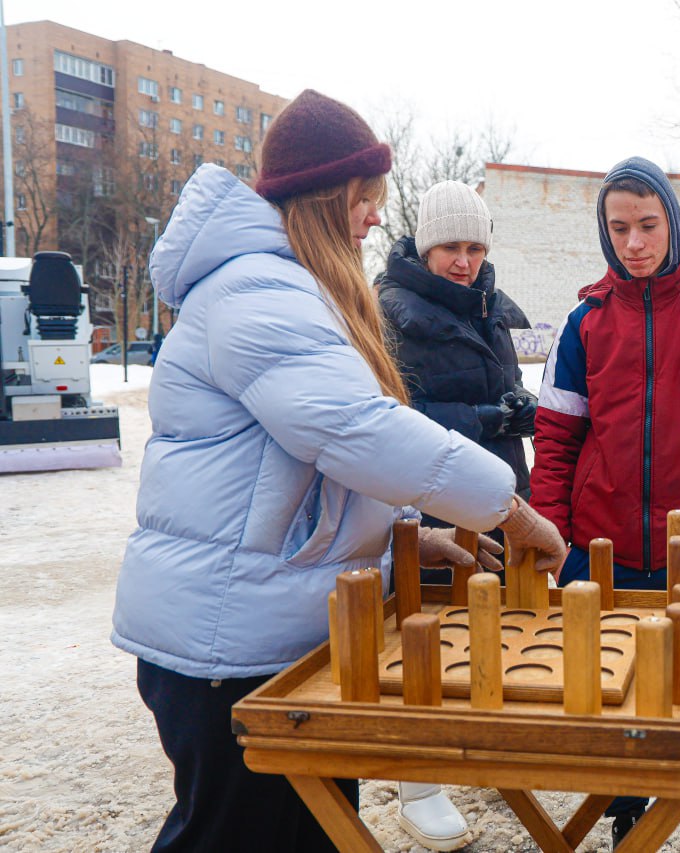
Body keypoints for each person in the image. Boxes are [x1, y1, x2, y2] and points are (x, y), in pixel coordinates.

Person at [110, 89, 565, 853]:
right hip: (228, 647)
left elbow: (307, 478)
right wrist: (511, 511)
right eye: (366, 199)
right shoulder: (256, 290)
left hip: (278, 636)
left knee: (315, 836)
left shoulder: (285, 287)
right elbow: (356, 433)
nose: (376, 218)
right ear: (328, 197)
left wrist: (403, 543)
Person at [532, 156, 680, 846]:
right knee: (615, 698)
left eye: (647, 225)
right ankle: (627, 813)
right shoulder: (583, 323)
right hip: (599, 556)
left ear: (672, 221)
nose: (633, 242)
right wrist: (560, 546)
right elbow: (554, 442)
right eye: (619, 228)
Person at [376, 179, 536, 851]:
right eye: (450, 246)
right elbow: (392, 416)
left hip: (494, 490)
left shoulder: (489, 306)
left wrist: (517, 404)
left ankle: (481, 751)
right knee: (429, 640)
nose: (464, 260)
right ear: (423, 244)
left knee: (490, 630)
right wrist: (484, 417)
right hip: (432, 505)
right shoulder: (392, 310)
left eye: (474, 246)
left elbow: (493, 385)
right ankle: (420, 785)